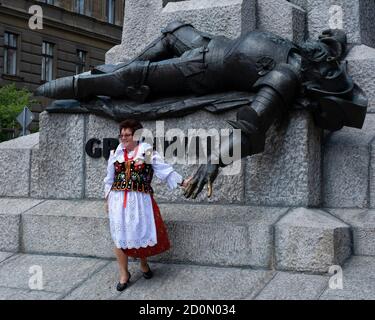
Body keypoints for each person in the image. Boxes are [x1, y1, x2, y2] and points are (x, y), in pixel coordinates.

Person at [36, 21, 367, 199]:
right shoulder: (313, 54)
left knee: (130, 76)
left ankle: (86, 85)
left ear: (313, 79)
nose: (322, 58)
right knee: (175, 29)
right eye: (327, 62)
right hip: (207, 43)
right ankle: (129, 77)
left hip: (200, 70)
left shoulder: (285, 77)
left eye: (327, 67)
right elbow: (332, 40)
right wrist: (336, 38)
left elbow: (251, 124)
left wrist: (213, 162)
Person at [104, 118, 189, 291]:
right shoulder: (115, 154)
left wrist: (182, 182)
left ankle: (143, 264)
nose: (124, 138)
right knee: (118, 236)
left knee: (138, 233)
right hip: (118, 201)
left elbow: (163, 170)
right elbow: (109, 180)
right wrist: (107, 199)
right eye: (122, 135)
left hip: (140, 201)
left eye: (127, 135)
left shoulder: (146, 151)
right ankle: (124, 274)